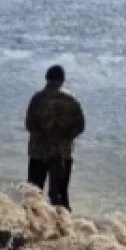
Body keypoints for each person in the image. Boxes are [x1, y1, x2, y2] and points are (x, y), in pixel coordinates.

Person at [25, 65, 85, 211]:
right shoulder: (71, 100)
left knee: (33, 194)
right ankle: (63, 228)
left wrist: (44, 135)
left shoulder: (37, 98)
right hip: (62, 153)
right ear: (62, 80)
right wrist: (64, 138)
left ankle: (32, 227)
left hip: (38, 152)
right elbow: (80, 127)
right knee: (60, 195)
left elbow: (29, 125)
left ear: (46, 78)